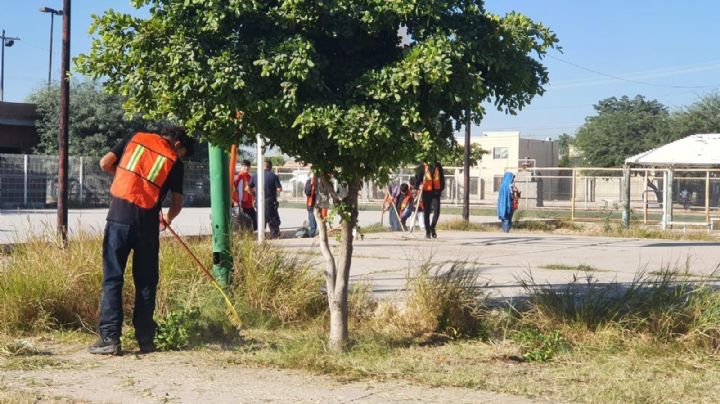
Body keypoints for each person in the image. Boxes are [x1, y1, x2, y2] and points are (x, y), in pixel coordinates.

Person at [90, 126, 196, 355]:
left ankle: (109, 338)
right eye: (183, 152)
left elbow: (105, 163)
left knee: (112, 279)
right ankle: (146, 340)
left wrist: (126, 177)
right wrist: (166, 218)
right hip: (147, 226)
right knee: (146, 282)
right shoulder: (175, 163)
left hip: (119, 219)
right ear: (178, 144)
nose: (180, 157)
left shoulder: (134, 138)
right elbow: (176, 205)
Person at [250, 159, 283, 238]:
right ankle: (275, 236)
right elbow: (279, 189)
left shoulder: (255, 176)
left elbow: (247, 188)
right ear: (270, 167)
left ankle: (261, 236)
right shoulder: (273, 176)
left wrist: (254, 195)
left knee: (261, 220)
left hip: (259, 201)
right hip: (270, 201)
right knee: (273, 220)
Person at [415, 160, 445, 238]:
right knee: (427, 212)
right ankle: (428, 232)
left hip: (436, 192)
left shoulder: (438, 165)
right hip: (426, 192)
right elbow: (417, 179)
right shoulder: (423, 166)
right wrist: (418, 186)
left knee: (437, 211)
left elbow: (442, 178)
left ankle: (432, 227)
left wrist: (441, 188)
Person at [232, 159, 257, 231]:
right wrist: (235, 202)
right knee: (245, 222)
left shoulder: (250, 177)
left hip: (249, 204)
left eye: (248, 166)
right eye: (244, 166)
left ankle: (248, 235)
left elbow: (253, 189)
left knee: (255, 221)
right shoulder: (239, 177)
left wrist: (254, 196)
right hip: (242, 204)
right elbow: (234, 190)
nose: (246, 168)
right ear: (241, 167)